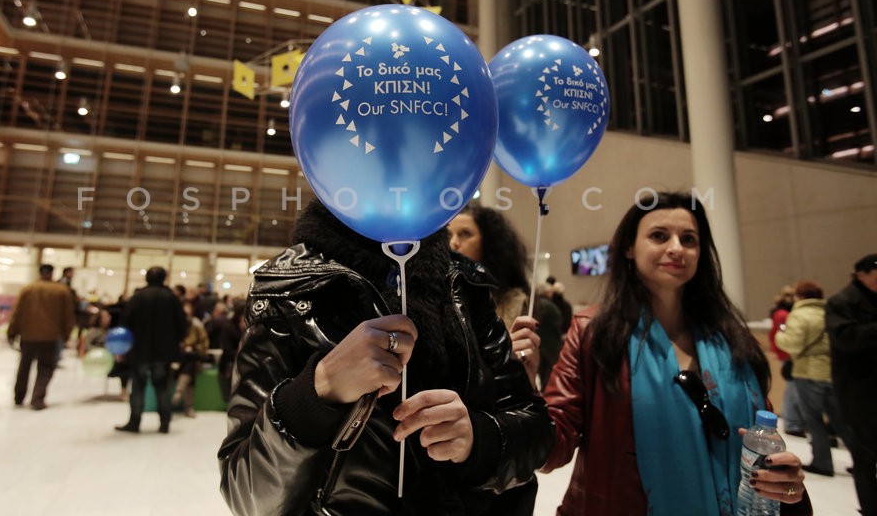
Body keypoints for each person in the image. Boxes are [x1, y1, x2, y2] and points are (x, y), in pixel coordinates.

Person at [218, 200, 553, 515]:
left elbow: (536, 431)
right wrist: (318, 391)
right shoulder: (287, 290)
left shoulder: (465, 283)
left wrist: (479, 440)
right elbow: (247, 494)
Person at [541, 192, 810, 515]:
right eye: (658, 236)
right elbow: (551, 448)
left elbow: (763, 451)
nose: (676, 248)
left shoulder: (732, 339)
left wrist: (789, 487)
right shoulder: (594, 333)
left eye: (689, 239)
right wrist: (523, 384)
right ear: (629, 248)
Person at [447, 204, 558, 389]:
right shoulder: (442, 306)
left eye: (465, 234)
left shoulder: (534, 308)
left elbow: (550, 386)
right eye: (448, 236)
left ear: (490, 243)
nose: (453, 243)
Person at [775, 280, 845, 477]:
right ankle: (863, 462)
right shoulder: (829, 312)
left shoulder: (799, 315)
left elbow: (793, 344)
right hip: (830, 371)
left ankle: (822, 462)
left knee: (813, 420)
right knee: (840, 420)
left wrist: (781, 336)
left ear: (800, 296)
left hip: (807, 372)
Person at [826, 253, 877, 516]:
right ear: (861, 274)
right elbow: (845, 338)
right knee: (866, 457)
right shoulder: (841, 302)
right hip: (859, 394)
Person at [115, 266, 188, 434]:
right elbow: (182, 325)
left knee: (138, 387)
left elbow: (125, 323)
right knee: (162, 387)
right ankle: (164, 423)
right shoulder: (171, 298)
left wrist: (123, 348)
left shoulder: (137, 297)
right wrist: (176, 341)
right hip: (163, 352)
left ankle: (135, 422)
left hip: (139, 350)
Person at [7, 264, 75, 410]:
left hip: (28, 335)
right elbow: (68, 315)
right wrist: (66, 334)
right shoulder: (61, 291)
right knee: (45, 368)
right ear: (52, 273)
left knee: (24, 366)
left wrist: (12, 331)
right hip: (50, 336)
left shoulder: (28, 289)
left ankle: (19, 396)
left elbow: (17, 312)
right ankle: (37, 398)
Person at [769, 284, 804, 436]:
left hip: (787, 353)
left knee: (794, 388)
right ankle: (792, 422)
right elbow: (781, 335)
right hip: (787, 354)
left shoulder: (782, 313)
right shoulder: (783, 314)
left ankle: (794, 421)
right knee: (792, 388)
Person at [173, 300, 209, 418]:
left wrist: (192, 347)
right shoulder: (174, 325)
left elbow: (204, 346)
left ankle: (179, 392)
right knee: (188, 364)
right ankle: (188, 406)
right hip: (176, 358)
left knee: (190, 362)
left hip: (193, 358)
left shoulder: (197, 326)